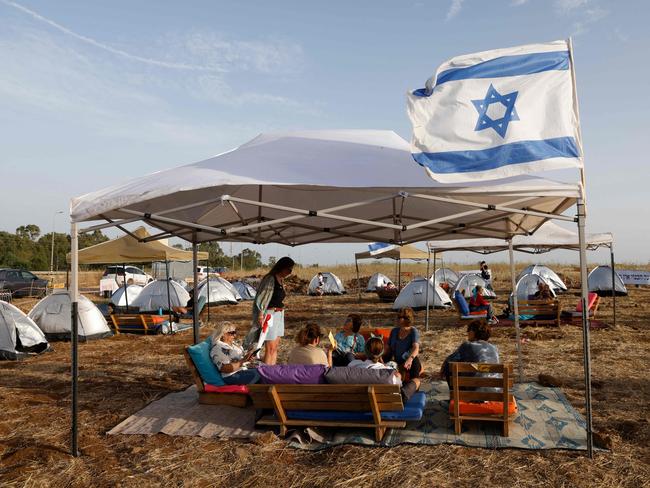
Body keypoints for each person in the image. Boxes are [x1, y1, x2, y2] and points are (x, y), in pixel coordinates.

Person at [244, 256, 295, 365]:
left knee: (275, 347)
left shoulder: (281, 280)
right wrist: (261, 314)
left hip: (279, 314)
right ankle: (267, 374)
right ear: (282, 267)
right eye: (289, 269)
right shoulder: (270, 279)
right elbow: (262, 298)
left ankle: (273, 372)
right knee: (270, 347)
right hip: (270, 315)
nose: (290, 272)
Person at [349, 336, 421, 401]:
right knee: (416, 381)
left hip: (357, 401)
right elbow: (398, 386)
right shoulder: (389, 372)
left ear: (365, 351)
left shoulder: (352, 365)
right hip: (384, 403)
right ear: (381, 353)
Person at [440, 320, 499, 388]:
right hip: (495, 392)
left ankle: (455, 395)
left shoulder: (467, 345)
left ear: (473, 332)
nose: (467, 332)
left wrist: (442, 370)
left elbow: (448, 361)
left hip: (471, 393)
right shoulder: (494, 348)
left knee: (449, 367)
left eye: (469, 330)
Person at [383, 307, 422, 379]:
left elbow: (416, 348)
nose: (396, 319)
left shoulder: (413, 331)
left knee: (415, 362)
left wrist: (410, 359)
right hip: (396, 360)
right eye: (397, 317)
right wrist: (378, 355)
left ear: (406, 319)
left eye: (399, 317)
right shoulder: (394, 331)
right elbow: (387, 347)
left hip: (408, 359)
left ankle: (414, 385)